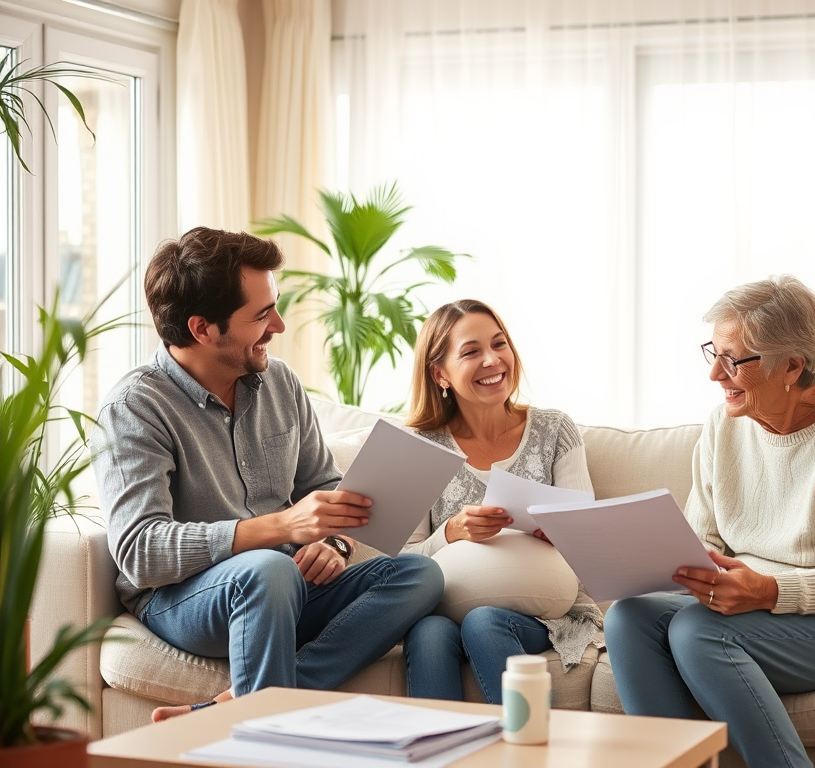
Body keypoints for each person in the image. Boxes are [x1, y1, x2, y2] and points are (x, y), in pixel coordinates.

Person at [92, 227, 444, 721]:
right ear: (203, 329)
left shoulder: (278, 382)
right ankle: (269, 736)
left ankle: (231, 707)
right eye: (261, 315)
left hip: (286, 584)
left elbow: (322, 486)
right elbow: (140, 552)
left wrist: (332, 544)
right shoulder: (135, 407)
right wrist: (280, 528)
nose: (278, 324)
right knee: (268, 568)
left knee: (419, 574)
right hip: (184, 600)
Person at [603, 275, 815, 768]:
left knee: (696, 632)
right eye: (713, 352)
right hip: (740, 608)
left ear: (792, 365)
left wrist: (768, 591)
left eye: (733, 360)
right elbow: (699, 538)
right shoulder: (723, 426)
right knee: (628, 616)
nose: (714, 375)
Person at [399, 299, 602, 703]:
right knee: (428, 632)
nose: (493, 360)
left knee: (483, 622)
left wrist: (562, 534)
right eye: (471, 351)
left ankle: (531, 753)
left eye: (499, 344)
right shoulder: (418, 447)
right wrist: (451, 532)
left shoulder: (555, 429)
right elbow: (402, 563)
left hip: (541, 614)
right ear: (440, 373)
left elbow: (592, 543)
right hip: (443, 608)